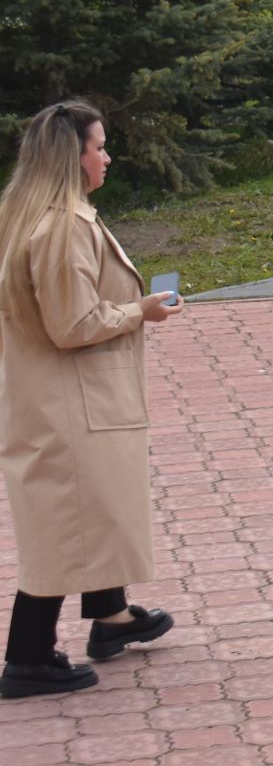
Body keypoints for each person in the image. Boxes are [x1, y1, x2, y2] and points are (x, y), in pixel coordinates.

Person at [0, 102, 183, 699]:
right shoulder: (62, 226)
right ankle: (28, 658)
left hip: (53, 397)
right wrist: (142, 310)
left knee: (88, 511)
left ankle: (111, 617)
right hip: (69, 402)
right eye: (98, 147)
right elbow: (72, 323)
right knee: (65, 525)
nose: (106, 157)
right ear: (70, 158)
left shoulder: (27, 213)